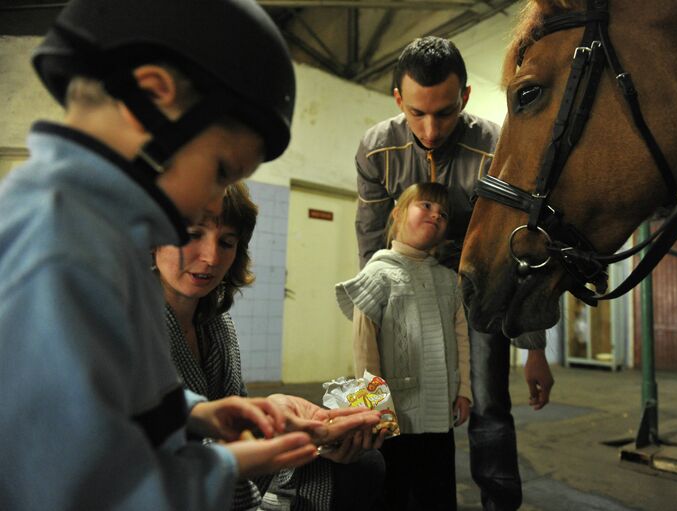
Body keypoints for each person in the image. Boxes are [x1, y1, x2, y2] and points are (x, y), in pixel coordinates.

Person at [0, 1, 379, 509]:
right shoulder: (60, 253)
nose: (208, 205)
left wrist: (197, 414)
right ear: (153, 98)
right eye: (221, 170)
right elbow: (84, 493)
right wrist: (232, 464)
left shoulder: (95, 234)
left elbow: (114, 400)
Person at [354, 35, 554, 510]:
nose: (429, 128)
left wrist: (535, 348)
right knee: (398, 408)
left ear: (464, 96)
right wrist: (372, 317)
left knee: (488, 407)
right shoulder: (376, 150)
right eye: (416, 113)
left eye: (444, 112)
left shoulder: (497, 147)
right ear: (398, 98)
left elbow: (522, 248)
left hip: (478, 299)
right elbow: (370, 242)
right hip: (404, 300)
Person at [155, 182, 384, 511]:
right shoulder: (129, 326)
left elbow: (232, 416)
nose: (210, 257)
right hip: (166, 484)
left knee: (361, 464)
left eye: (227, 242)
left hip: (220, 462)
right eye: (192, 234)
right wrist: (279, 435)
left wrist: (291, 424)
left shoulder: (217, 324)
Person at [337, 182, 471, 511]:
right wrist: (374, 410)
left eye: (443, 213)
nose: (435, 214)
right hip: (395, 419)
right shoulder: (377, 274)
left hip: (440, 414)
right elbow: (364, 349)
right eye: (425, 205)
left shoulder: (448, 280)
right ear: (397, 213)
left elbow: (462, 338)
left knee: (437, 493)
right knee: (395, 493)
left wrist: (465, 389)